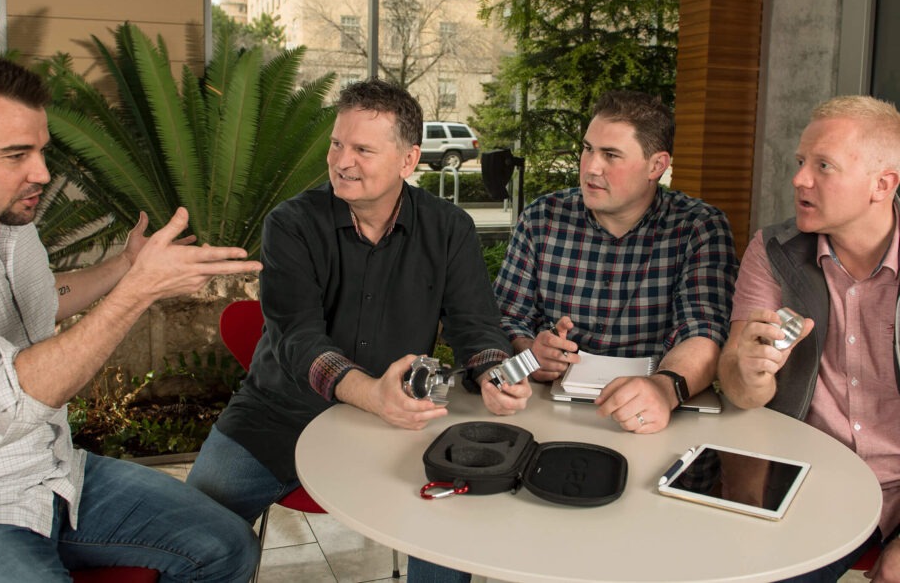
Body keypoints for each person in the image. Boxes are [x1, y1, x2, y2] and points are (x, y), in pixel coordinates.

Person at [0, 50, 263, 582]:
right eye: (16, 155)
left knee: (225, 545)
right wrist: (138, 293)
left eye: (41, 150)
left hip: (50, 472)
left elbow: (43, 300)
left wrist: (126, 267)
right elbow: (9, 401)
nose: (42, 172)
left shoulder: (9, 226)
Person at [186, 78, 531, 581]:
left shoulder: (449, 228)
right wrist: (371, 392)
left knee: (448, 536)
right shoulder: (290, 224)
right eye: (336, 144)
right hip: (276, 419)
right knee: (186, 535)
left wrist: (494, 372)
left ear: (408, 160)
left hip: (398, 427)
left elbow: (476, 328)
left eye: (363, 149)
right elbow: (297, 339)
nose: (342, 161)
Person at [718, 95, 900, 582]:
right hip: (807, 479)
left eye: (824, 165)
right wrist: (750, 371)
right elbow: (737, 390)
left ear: (882, 185)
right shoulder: (773, 250)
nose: (800, 178)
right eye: (801, 162)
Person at [494, 90, 738, 434]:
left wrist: (664, 388)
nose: (591, 167)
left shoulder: (697, 228)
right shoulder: (542, 218)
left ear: (657, 166)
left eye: (611, 155)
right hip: (546, 414)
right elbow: (506, 315)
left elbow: (703, 331)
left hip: (659, 417)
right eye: (588, 148)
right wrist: (532, 353)